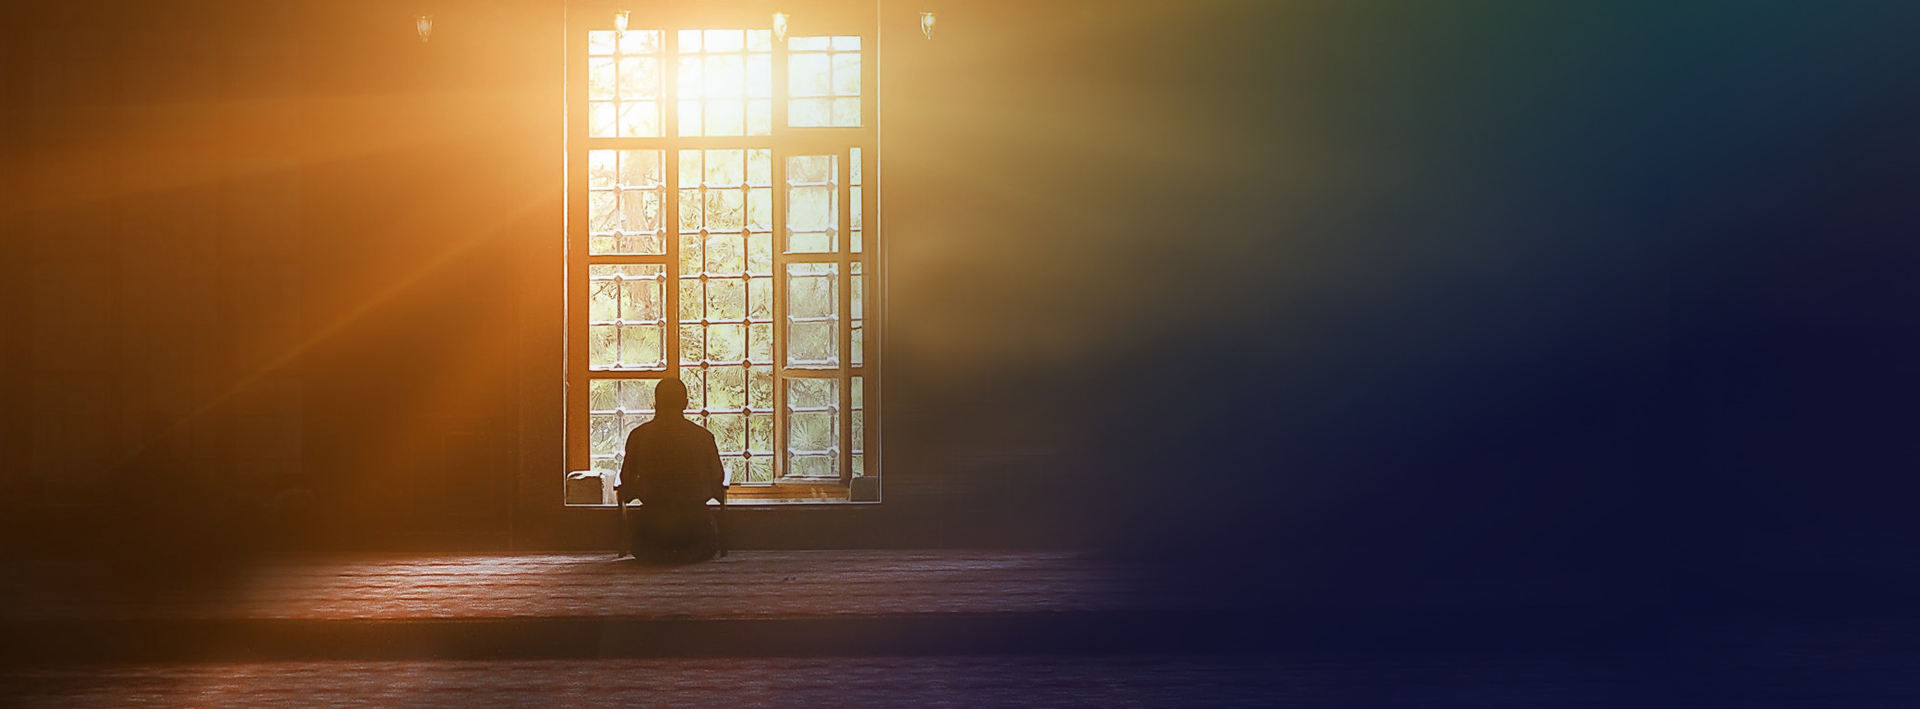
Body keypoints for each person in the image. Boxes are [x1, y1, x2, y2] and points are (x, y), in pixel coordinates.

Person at [616, 378, 726, 563]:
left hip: (651, 535)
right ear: (685, 403)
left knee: (649, 551)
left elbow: (625, 480)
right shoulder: (703, 437)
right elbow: (718, 477)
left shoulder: (638, 436)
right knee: (698, 549)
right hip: (697, 533)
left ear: (655, 403)